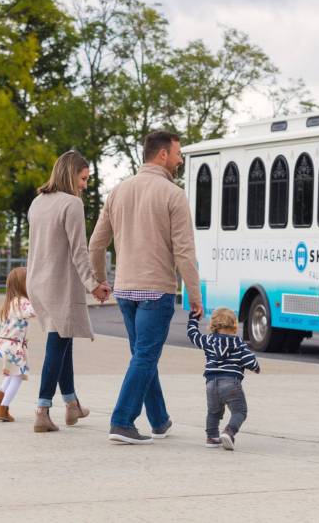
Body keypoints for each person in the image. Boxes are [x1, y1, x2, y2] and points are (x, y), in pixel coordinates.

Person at [89, 130, 203, 445]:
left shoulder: (118, 191)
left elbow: (96, 244)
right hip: (156, 289)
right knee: (145, 356)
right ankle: (122, 421)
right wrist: (195, 295)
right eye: (178, 153)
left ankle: (159, 419)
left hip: (125, 290)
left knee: (142, 355)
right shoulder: (173, 194)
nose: (180, 159)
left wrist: (100, 280)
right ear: (163, 155)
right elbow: (184, 251)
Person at [27, 150, 111, 433]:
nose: (85, 185)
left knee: (64, 339)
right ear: (71, 174)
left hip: (37, 281)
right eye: (83, 178)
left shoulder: (38, 202)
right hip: (59, 282)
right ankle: (42, 409)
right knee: (58, 342)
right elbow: (79, 251)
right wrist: (94, 284)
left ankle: (72, 404)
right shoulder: (72, 204)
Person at [187, 308, 260, 450]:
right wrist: (256, 367)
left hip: (211, 384)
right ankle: (229, 432)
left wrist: (193, 319)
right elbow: (250, 361)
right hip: (230, 383)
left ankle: (212, 437)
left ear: (213, 325)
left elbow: (193, 335)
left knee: (213, 412)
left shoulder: (208, 340)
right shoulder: (238, 344)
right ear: (234, 325)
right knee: (239, 412)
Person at [0, 267, 35, 422]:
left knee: (11, 372)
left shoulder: (6, 304)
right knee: (18, 377)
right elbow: (33, 311)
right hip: (13, 346)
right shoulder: (22, 302)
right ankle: (3, 408)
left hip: (2, 344)